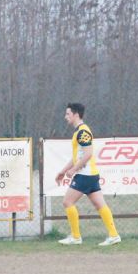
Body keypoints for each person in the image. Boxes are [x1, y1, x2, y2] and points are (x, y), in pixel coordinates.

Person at [55, 103, 121, 246]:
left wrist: (73, 170)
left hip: (84, 175)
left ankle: (76, 237)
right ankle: (114, 235)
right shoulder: (78, 131)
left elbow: (88, 154)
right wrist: (63, 171)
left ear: (76, 114)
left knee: (67, 202)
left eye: (68, 114)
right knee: (100, 205)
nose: (65, 117)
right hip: (91, 174)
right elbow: (76, 157)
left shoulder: (83, 131)